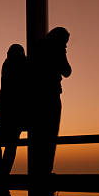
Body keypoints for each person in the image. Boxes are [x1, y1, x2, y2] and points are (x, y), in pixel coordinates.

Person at [29, 26, 71, 179]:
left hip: (37, 98)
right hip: (51, 96)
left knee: (39, 136)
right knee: (51, 135)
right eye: (65, 42)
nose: (66, 45)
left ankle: (38, 172)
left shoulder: (38, 48)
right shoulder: (57, 49)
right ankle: (45, 172)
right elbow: (67, 71)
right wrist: (62, 53)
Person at [0, 44, 27, 179]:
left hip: (14, 112)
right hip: (11, 112)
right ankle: (1, 173)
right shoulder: (11, 65)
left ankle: (0, 173)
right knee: (8, 141)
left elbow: (6, 89)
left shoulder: (12, 65)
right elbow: (4, 88)